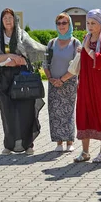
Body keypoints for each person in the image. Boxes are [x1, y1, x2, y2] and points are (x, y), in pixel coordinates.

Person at [0, 8, 47, 155]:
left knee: (25, 112)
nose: (8, 20)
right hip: (3, 79)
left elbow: (33, 51)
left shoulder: (22, 36)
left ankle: (28, 145)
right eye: (5, 18)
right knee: (7, 113)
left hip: (21, 79)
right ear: (1, 21)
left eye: (10, 17)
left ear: (15, 20)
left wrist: (19, 59)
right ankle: (9, 145)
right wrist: (11, 57)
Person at [73, 9, 101, 164]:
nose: (90, 26)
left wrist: (87, 50)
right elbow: (85, 58)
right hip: (86, 83)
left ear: (100, 24)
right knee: (84, 114)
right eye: (88, 23)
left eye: (93, 23)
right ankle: (85, 152)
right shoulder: (86, 38)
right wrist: (83, 50)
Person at [43, 13, 81, 152]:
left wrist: (62, 79)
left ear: (69, 24)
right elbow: (45, 63)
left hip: (69, 84)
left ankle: (70, 142)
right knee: (54, 113)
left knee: (68, 112)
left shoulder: (75, 43)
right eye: (59, 23)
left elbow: (77, 64)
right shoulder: (52, 43)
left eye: (64, 23)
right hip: (53, 84)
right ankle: (58, 143)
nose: (61, 26)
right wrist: (51, 79)